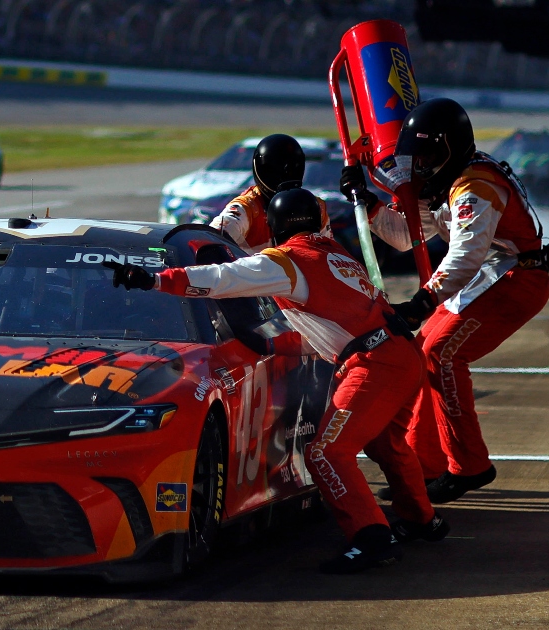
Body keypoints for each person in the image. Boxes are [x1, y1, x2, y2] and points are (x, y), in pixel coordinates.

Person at [106, 188, 448, 574]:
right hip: (397, 352)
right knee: (386, 443)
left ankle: (372, 538)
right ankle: (421, 519)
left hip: (375, 362)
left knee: (327, 453)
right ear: (319, 220)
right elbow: (329, 328)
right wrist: (273, 342)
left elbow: (222, 279)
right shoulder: (335, 256)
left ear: (275, 225)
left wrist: (155, 280)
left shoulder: (287, 260)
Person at [340, 98, 549, 504]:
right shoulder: (449, 179)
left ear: (452, 149)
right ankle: (427, 463)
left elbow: (465, 254)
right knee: (424, 353)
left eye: (429, 156)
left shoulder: (475, 187)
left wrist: (424, 299)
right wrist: (367, 204)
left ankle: (469, 466)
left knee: (442, 352)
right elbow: (405, 236)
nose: (421, 166)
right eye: (416, 158)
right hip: (492, 275)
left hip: (516, 278)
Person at [209, 134, 331, 254]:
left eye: (292, 169)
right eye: (275, 170)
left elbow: (328, 253)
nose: (285, 176)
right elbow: (211, 241)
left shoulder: (316, 207)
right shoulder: (247, 208)